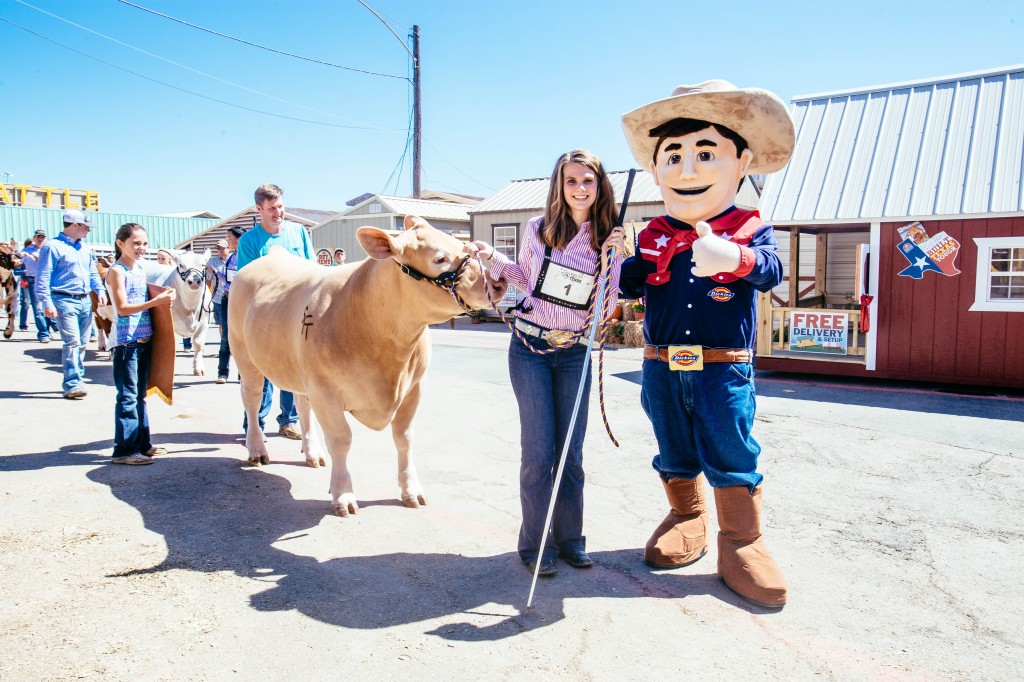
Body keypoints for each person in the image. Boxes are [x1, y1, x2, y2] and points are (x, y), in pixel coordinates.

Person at [619, 80, 795, 608]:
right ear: (656, 170)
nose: (687, 169)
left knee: (730, 447)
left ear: (740, 162)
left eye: (705, 153)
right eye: (673, 155)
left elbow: (773, 272)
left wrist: (735, 259)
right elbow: (629, 283)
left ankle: (742, 541)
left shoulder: (748, 226)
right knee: (672, 444)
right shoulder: (650, 232)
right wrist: (615, 260)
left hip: (723, 368)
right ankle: (686, 517)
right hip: (661, 365)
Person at [470, 150, 625, 577]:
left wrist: (616, 258)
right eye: (571, 181)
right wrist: (490, 257)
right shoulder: (538, 229)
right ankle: (536, 546)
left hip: (574, 352)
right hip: (530, 349)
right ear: (559, 185)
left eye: (587, 181)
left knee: (570, 455)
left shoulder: (608, 237)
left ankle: (571, 540)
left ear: (599, 186)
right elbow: (523, 278)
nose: (579, 189)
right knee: (538, 454)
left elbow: (606, 308)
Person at [235, 184, 313, 440]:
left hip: (297, 316)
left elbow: (312, 271)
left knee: (297, 370)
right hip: (266, 318)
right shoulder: (249, 241)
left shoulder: (299, 232)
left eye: (280, 206)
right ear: (259, 209)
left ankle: (289, 421)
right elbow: (246, 283)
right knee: (260, 370)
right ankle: (254, 424)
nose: (277, 212)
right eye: (271, 208)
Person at [104, 223, 176, 464]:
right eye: (136, 243)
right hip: (126, 342)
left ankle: (142, 444)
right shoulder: (116, 271)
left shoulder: (138, 269)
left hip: (143, 339)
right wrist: (156, 301)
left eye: (144, 243)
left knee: (138, 395)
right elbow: (123, 309)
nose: (141, 248)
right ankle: (124, 451)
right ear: (120, 243)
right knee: (127, 396)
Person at [35, 209, 107, 399]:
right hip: (63, 299)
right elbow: (43, 277)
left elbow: (92, 272)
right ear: (75, 225)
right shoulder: (52, 247)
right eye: (85, 227)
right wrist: (47, 302)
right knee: (73, 341)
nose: (88, 231)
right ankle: (72, 383)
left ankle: (77, 378)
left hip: (84, 300)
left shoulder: (84, 248)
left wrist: (99, 290)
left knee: (82, 343)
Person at [213, 226, 243, 384]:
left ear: (239, 239)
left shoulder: (247, 256)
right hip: (227, 297)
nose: (228, 241)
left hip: (241, 299)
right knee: (226, 336)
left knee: (243, 338)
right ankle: (222, 372)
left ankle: (242, 374)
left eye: (229, 239)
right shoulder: (231, 257)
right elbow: (228, 278)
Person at [18, 230, 60, 341]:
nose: (40, 239)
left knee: (51, 305)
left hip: (50, 281)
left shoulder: (48, 249)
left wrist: (36, 257)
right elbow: (17, 263)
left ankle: (53, 327)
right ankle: (43, 334)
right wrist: (20, 256)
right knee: (37, 308)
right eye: (38, 237)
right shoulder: (27, 250)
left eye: (42, 237)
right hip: (33, 281)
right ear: (34, 238)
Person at [206, 237, 232, 383]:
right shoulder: (212, 261)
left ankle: (241, 374)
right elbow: (209, 278)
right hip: (218, 297)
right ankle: (223, 372)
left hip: (234, 299)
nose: (220, 250)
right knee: (223, 330)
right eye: (218, 248)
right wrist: (207, 292)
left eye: (223, 247)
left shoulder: (235, 259)